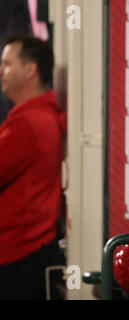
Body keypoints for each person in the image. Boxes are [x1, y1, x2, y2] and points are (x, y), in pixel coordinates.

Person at [0, 35, 66, 299]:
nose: (1, 71)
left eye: (6, 64)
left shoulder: (28, 124)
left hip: (18, 259)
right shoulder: (40, 117)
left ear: (31, 69)